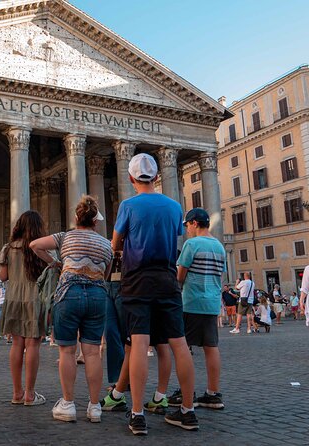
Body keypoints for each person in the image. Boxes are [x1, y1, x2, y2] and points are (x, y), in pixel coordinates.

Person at [111, 153, 197, 435]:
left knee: (139, 344)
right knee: (179, 343)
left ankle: (137, 415)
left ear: (132, 178)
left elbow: (115, 244)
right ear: (157, 177)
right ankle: (188, 411)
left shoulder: (128, 205)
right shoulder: (174, 207)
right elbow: (175, 237)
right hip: (167, 277)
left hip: (136, 279)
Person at [30, 195, 113, 423]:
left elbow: (34, 245)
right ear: (95, 221)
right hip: (97, 295)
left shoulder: (65, 237)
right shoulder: (106, 244)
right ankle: (95, 407)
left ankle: (68, 404)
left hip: (69, 293)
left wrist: (54, 262)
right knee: (93, 353)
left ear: (77, 217)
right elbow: (106, 274)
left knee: (67, 352)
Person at [174, 208, 226, 410]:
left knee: (183, 348)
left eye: (187, 225)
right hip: (212, 303)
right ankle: (213, 394)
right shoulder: (219, 247)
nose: (186, 229)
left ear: (195, 223)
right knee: (211, 347)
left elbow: (180, 275)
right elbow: (220, 276)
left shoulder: (192, 244)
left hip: (192, 302)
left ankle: (185, 392)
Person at [0, 211, 48, 407]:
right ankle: (30, 394)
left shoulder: (8, 248)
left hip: (13, 297)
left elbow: (2, 276)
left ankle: (17, 393)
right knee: (33, 345)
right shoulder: (40, 248)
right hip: (34, 296)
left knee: (17, 344)